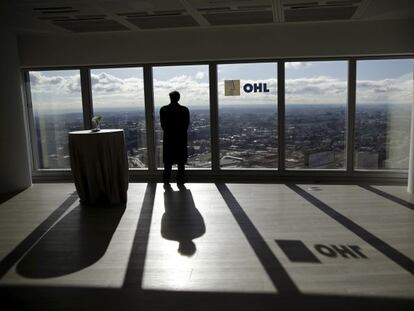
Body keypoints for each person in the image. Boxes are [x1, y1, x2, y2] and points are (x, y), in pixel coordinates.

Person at [160, 90, 189, 185]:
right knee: (181, 163)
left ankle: (166, 180)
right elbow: (186, 126)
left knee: (168, 163)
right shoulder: (184, 110)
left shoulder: (163, 110)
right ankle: (180, 180)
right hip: (180, 139)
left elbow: (163, 126)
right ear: (179, 98)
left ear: (170, 98)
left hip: (169, 139)